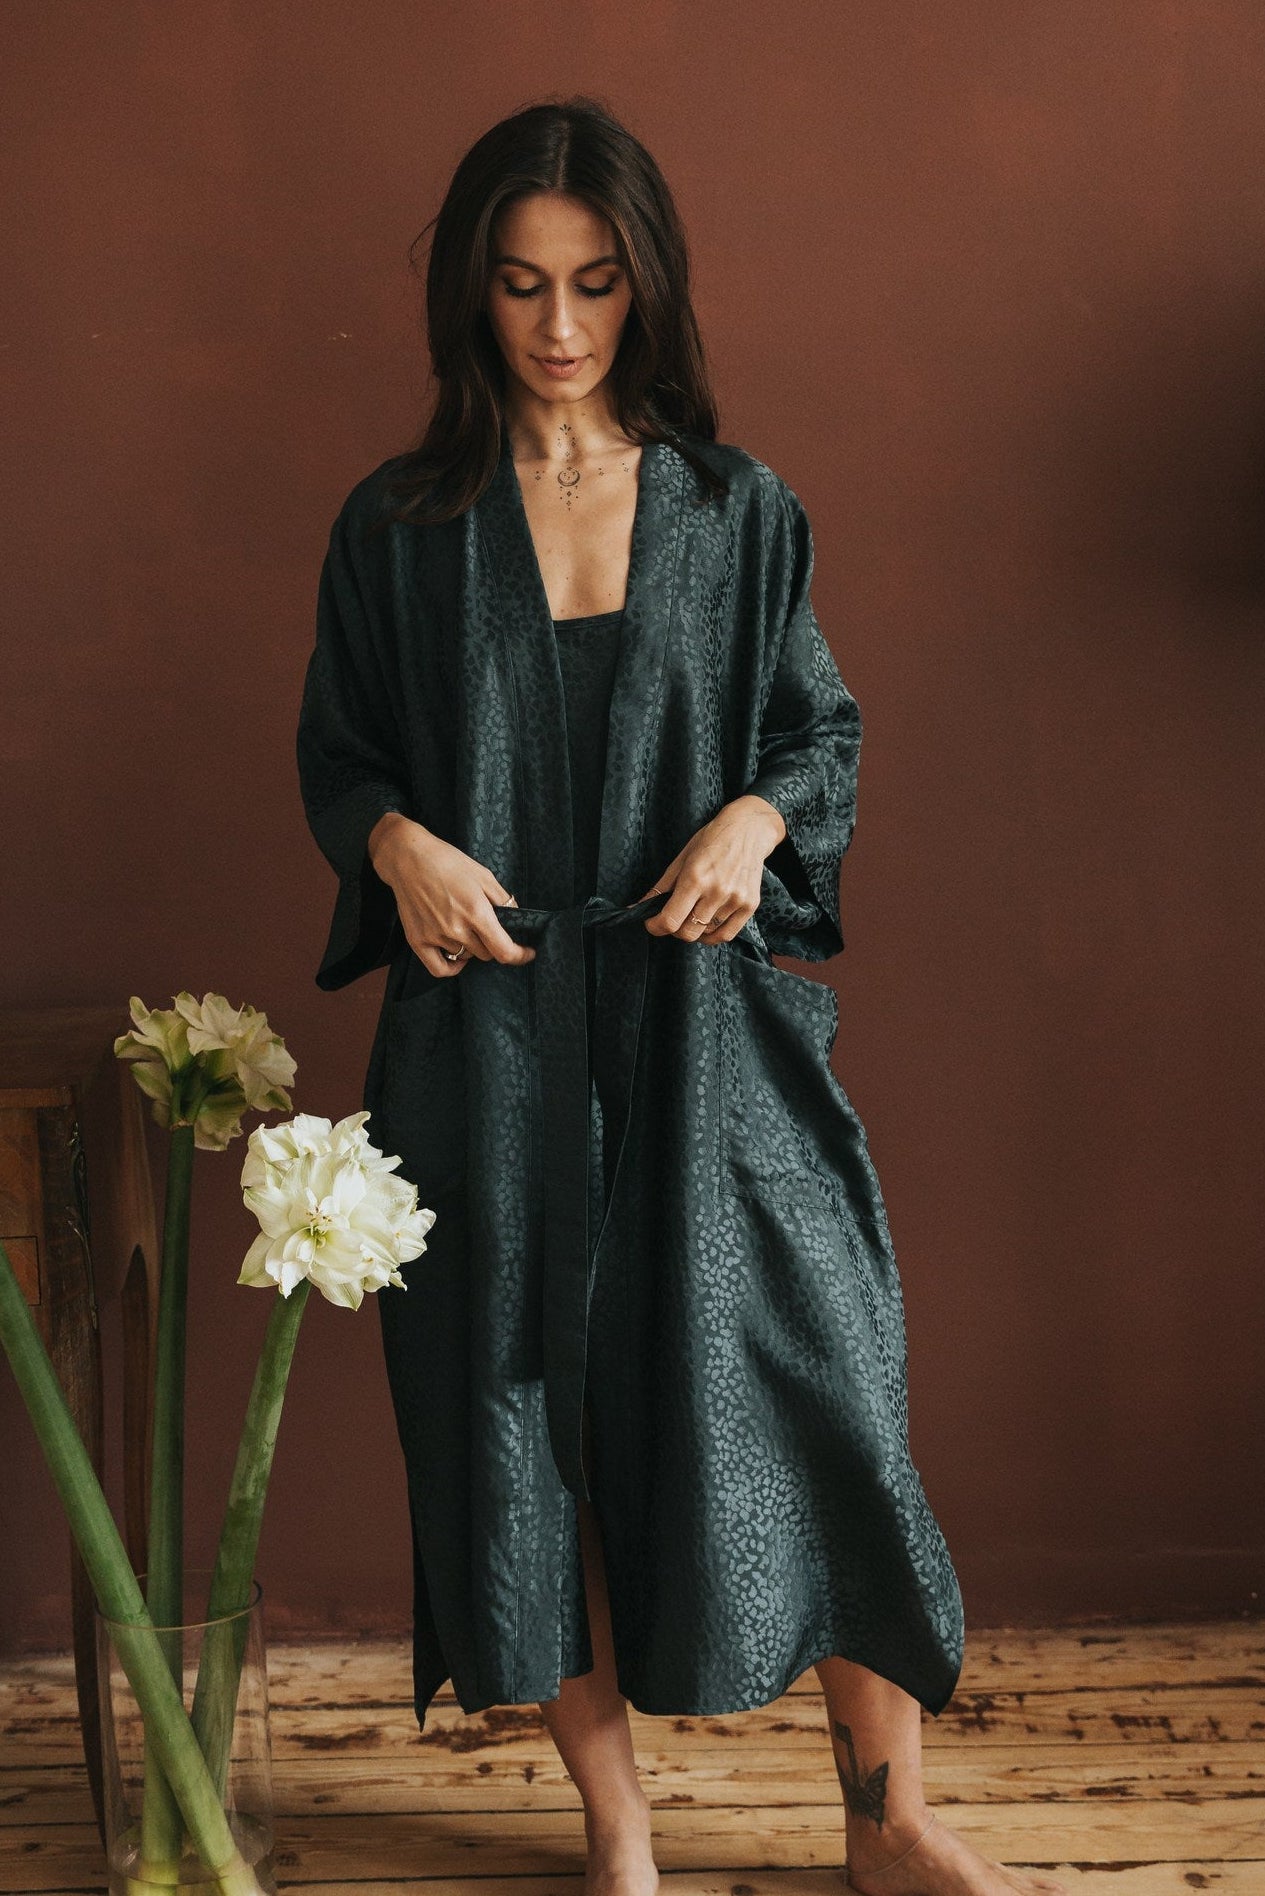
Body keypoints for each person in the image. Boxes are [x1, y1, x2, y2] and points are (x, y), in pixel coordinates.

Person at [296, 97, 1066, 1896]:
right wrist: (396, 840)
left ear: (646, 290)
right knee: (518, 1420)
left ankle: (889, 1824)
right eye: (518, 286)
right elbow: (339, 755)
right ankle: (618, 1834)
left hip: (705, 1036)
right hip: (486, 1043)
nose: (558, 327)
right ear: (468, 300)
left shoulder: (734, 511)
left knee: (827, 1390)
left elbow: (820, 731)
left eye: (593, 284)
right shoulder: (400, 528)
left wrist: (753, 808)